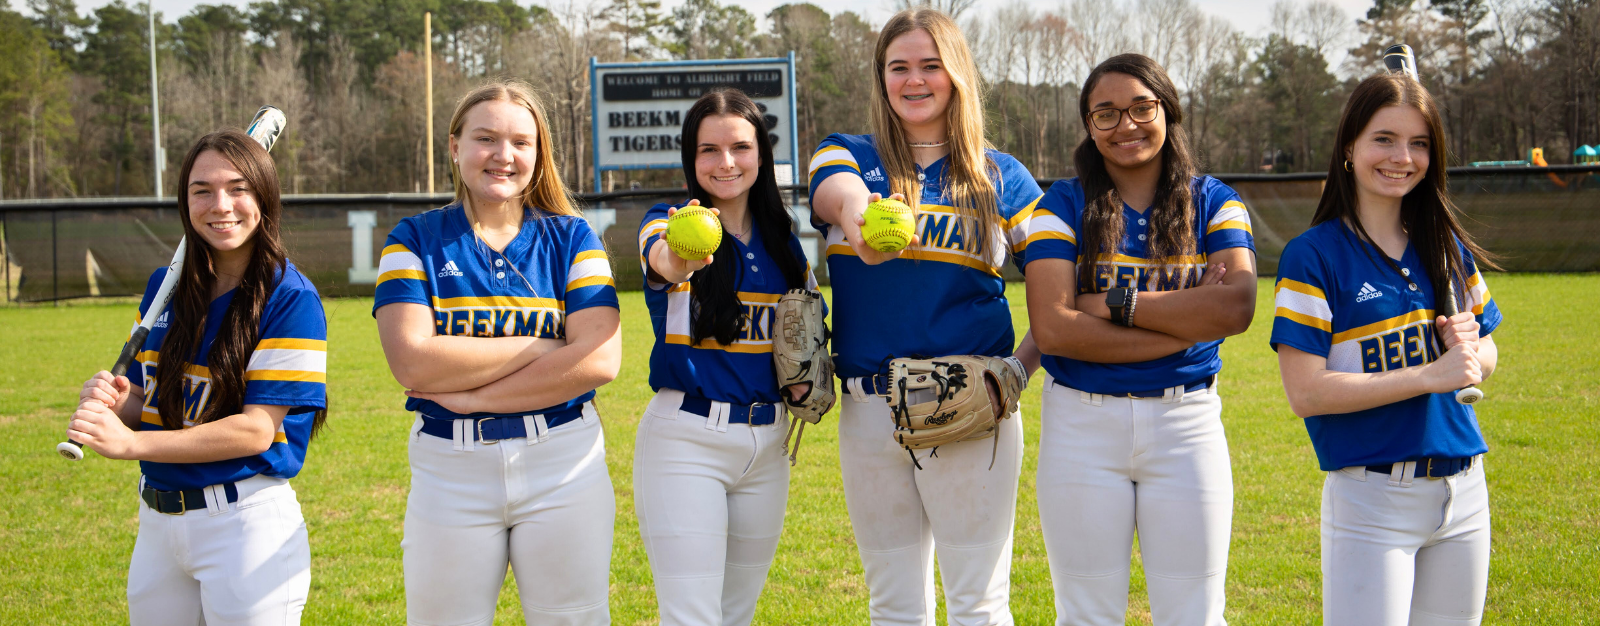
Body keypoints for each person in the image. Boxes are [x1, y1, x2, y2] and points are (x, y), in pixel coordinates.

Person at [807, 9, 1044, 625]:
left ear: (957, 74)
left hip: (969, 406)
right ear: (881, 78)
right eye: (899, 67)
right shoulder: (848, 154)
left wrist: (1016, 370)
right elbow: (836, 193)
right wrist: (865, 219)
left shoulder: (1000, 176)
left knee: (979, 604)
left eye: (930, 66)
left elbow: (1058, 293)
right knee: (893, 604)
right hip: (868, 408)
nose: (914, 81)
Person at [373, 80, 622, 626]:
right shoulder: (413, 238)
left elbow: (600, 361)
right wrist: (548, 346)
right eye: (486, 138)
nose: (503, 156)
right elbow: (412, 361)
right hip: (449, 470)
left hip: (564, 464)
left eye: (521, 142)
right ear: (455, 145)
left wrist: (469, 396)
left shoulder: (573, 237)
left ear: (539, 153)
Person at [1022, 53, 1256, 626]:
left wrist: (1115, 305)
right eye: (1105, 113)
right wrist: (1184, 325)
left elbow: (1236, 304)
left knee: (1195, 614)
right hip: (1081, 427)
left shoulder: (1212, 199)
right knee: (1085, 616)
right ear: (1088, 126)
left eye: (1140, 108)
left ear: (1167, 110)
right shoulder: (1062, 204)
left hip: (1186, 425)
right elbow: (1053, 329)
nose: (1126, 125)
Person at [66, 129, 328, 625]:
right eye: (201, 190)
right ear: (185, 202)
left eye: (237, 188)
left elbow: (255, 430)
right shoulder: (163, 288)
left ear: (264, 197)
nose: (220, 204)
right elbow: (152, 400)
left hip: (243, 525)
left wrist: (131, 445)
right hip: (158, 524)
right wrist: (118, 401)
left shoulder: (291, 299)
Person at [1272, 73, 1501, 626]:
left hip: (1465, 491)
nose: (1403, 157)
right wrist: (1429, 374)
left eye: (1419, 143)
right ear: (1349, 147)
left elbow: (1484, 357)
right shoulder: (1313, 256)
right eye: (1385, 139)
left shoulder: (1444, 244)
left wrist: (1470, 352)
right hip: (1373, 499)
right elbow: (1306, 392)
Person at [634, 88, 826, 626]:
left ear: (760, 155)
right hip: (686, 440)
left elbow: (810, 333)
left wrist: (807, 378)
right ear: (690, 160)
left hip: (768, 447)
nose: (725, 163)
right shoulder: (668, 220)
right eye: (708, 150)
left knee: (736, 613)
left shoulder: (785, 243)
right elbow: (661, 261)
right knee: (692, 615)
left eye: (740, 147)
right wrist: (683, 255)